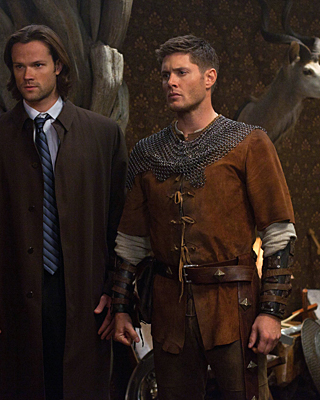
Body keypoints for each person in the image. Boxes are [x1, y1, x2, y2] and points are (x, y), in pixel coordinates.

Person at [111, 35, 296, 400]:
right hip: (170, 308)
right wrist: (120, 308)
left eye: (181, 72)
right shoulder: (147, 153)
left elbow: (279, 234)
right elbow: (131, 243)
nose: (170, 82)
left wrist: (272, 312)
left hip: (234, 306)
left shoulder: (248, 143)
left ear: (209, 77)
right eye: (165, 75)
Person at [0, 24, 127, 400]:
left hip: (86, 297)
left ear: (58, 67)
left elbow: (121, 224)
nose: (27, 75)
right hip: (13, 298)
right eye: (19, 66)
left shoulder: (103, 134)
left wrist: (117, 293)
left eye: (37, 65)